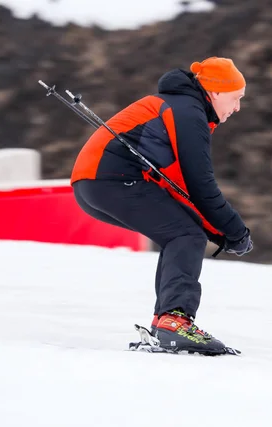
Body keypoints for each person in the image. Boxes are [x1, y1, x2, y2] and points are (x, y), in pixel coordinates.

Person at [70, 57, 253, 355]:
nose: (237, 108)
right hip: (112, 180)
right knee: (186, 236)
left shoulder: (180, 107)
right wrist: (234, 230)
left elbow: (181, 188)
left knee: (183, 233)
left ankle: (165, 322)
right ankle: (173, 322)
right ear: (216, 92)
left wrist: (220, 232)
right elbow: (200, 186)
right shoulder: (187, 111)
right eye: (236, 98)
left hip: (92, 184)